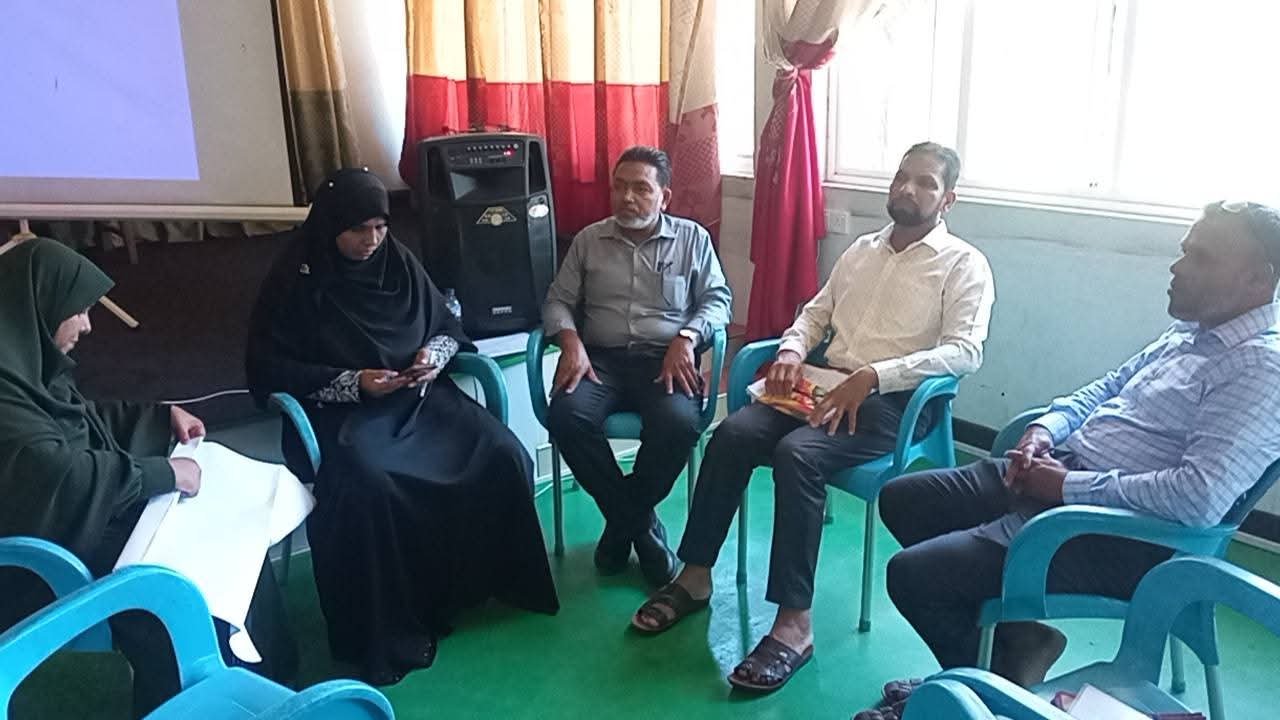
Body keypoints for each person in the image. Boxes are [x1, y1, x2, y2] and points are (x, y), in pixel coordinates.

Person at [857, 200, 1280, 720]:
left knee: (914, 576)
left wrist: (1063, 488)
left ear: (1257, 279)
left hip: (1122, 534)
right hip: (1063, 474)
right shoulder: (1193, 332)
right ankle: (1015, 650)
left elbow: (1197, 498)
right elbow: (1106, 389)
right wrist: (1044, 431)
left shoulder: (1261, 368)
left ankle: (987, 693)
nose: (1177, 267)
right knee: (905, 499)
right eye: (1184, 251)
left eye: (1202, 258)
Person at [632, 142, 996, 693]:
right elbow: (815, 313)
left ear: (948, 199)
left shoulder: (964, 264)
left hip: (892, 402)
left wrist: (875, 376)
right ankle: (697, 575)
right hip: (822, 385)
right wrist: (789, 350)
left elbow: (965, 351)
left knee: (797, 455)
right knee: (731, 434)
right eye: (902, 176)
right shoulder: (863, 250)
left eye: (926, 183)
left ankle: (794, 624)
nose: (908, 189)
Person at [246, 167, 558, 686]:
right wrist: (355, 383)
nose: (372, 240)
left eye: (380, 227)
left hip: (422, 401)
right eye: (358, 229)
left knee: (503, 453)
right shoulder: (297, 281)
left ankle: (475, 588)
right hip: (345, 415)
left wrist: (433, 358)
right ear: (331, 227)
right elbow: (271, 368)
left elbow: (446, 324)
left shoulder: (398, 263)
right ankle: (399, 623)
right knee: (370, 485)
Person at [0, 238, 297, 718]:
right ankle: (198, 702)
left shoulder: (26, 366)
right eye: (78, 311)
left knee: (229, 537)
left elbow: (82, 420)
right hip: (45, 549)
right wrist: (163, 473)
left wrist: (161, 418)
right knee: (182, 587)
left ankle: (259, 686)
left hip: (83, 516)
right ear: (38, 305)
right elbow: (55, 472)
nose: (87, 325)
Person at [542, 146, 732, 586]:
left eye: (641, 189)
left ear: (664, 197)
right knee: (566, 417)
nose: (627, 197)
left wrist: (687, 337)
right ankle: (640, 526)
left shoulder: (692, 239)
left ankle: (621, 526)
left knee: (679, 424)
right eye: (620, 187)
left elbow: (718, 300)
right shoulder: (589, 240)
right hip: (600, 361)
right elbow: (557, 300)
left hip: (664, 361)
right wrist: (569, 341)